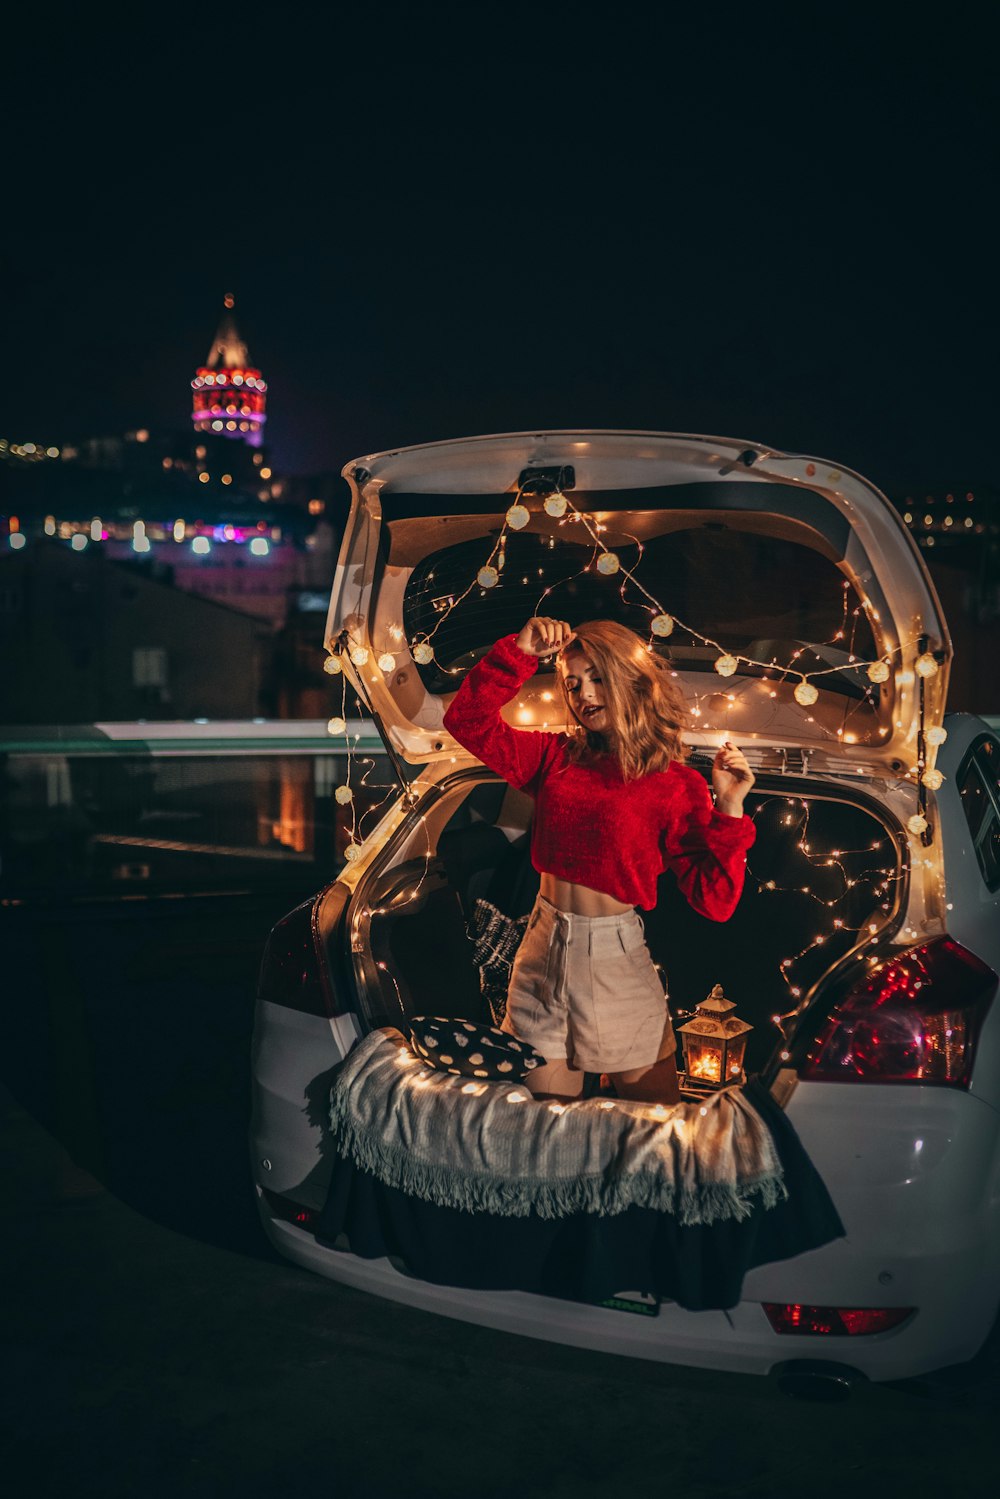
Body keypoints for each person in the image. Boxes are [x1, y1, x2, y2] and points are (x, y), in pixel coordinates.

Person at [442, 616, 757, 1105]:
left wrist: (731, 809)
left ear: (631, 680)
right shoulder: (555, 758)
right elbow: (467, 722)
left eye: (597, 678)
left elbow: (715, 902)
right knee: (544, 1130)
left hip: (615, 960)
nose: (584, 695)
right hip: (540, 954)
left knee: (652, 1133)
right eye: (572, 683)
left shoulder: (676, 784)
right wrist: (520, 652)